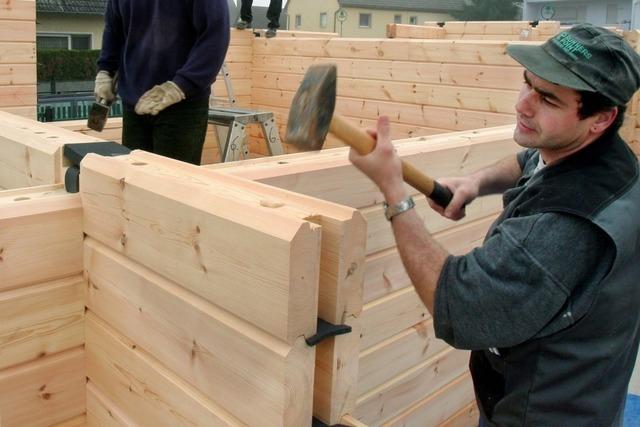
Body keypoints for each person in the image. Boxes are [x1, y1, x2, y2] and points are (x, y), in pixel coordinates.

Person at [349, 24, 640, 426]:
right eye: (527, 84)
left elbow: (456, 303)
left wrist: (395, 193)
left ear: (600, 119)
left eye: (548, 100)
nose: (523, 105)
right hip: (594, 387)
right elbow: (529, 161)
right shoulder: (608, 160)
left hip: (542, 411)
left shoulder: (560, 232)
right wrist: (475, 183)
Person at [94, 0, 230, 165]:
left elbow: (215, 35)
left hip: (181, 106)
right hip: (135, 105)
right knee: (134, 181)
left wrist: (182, 85)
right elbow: (114, 30)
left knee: (173, 184)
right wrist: (106, 71)